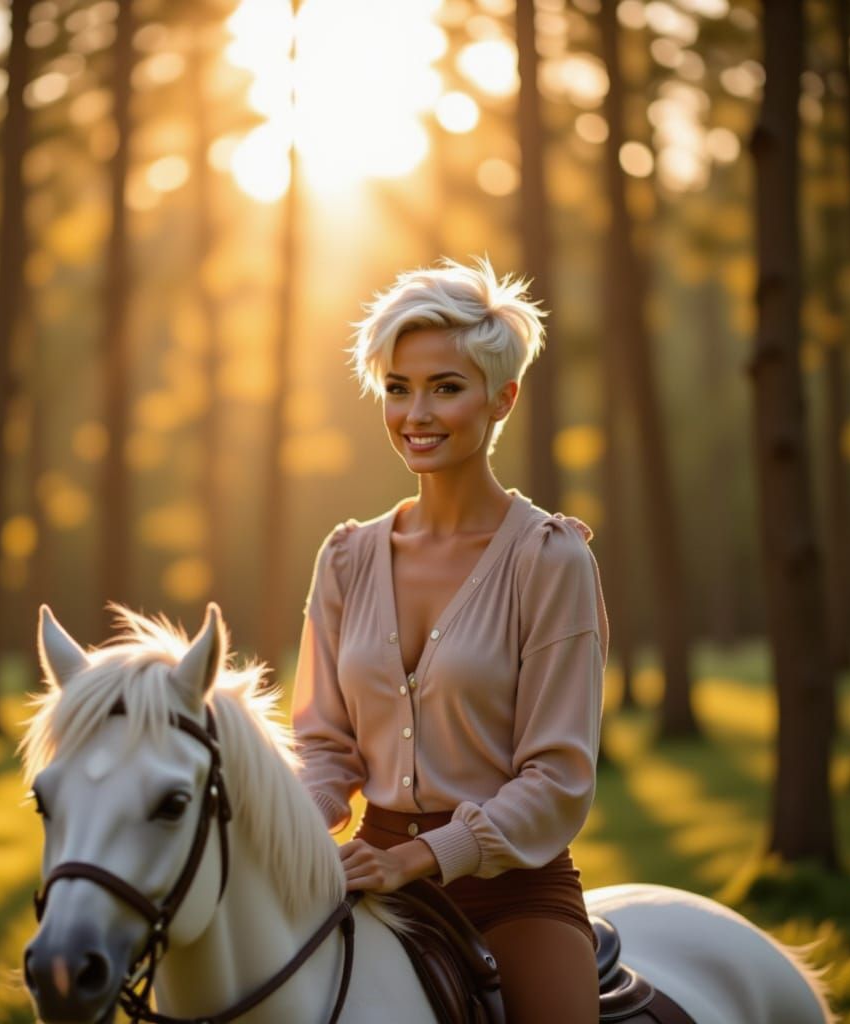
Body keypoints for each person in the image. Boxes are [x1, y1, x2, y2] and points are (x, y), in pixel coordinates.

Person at [291, 257, 608, 1023]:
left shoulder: (551, 559)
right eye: (397, 389)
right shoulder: (344, 559)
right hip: (365, 873)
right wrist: (302, 829)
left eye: (446, 387)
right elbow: (323, 744)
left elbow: (560, 779)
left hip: (514, 890)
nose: (415, 414)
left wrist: (422, 858)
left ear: (504, 396)